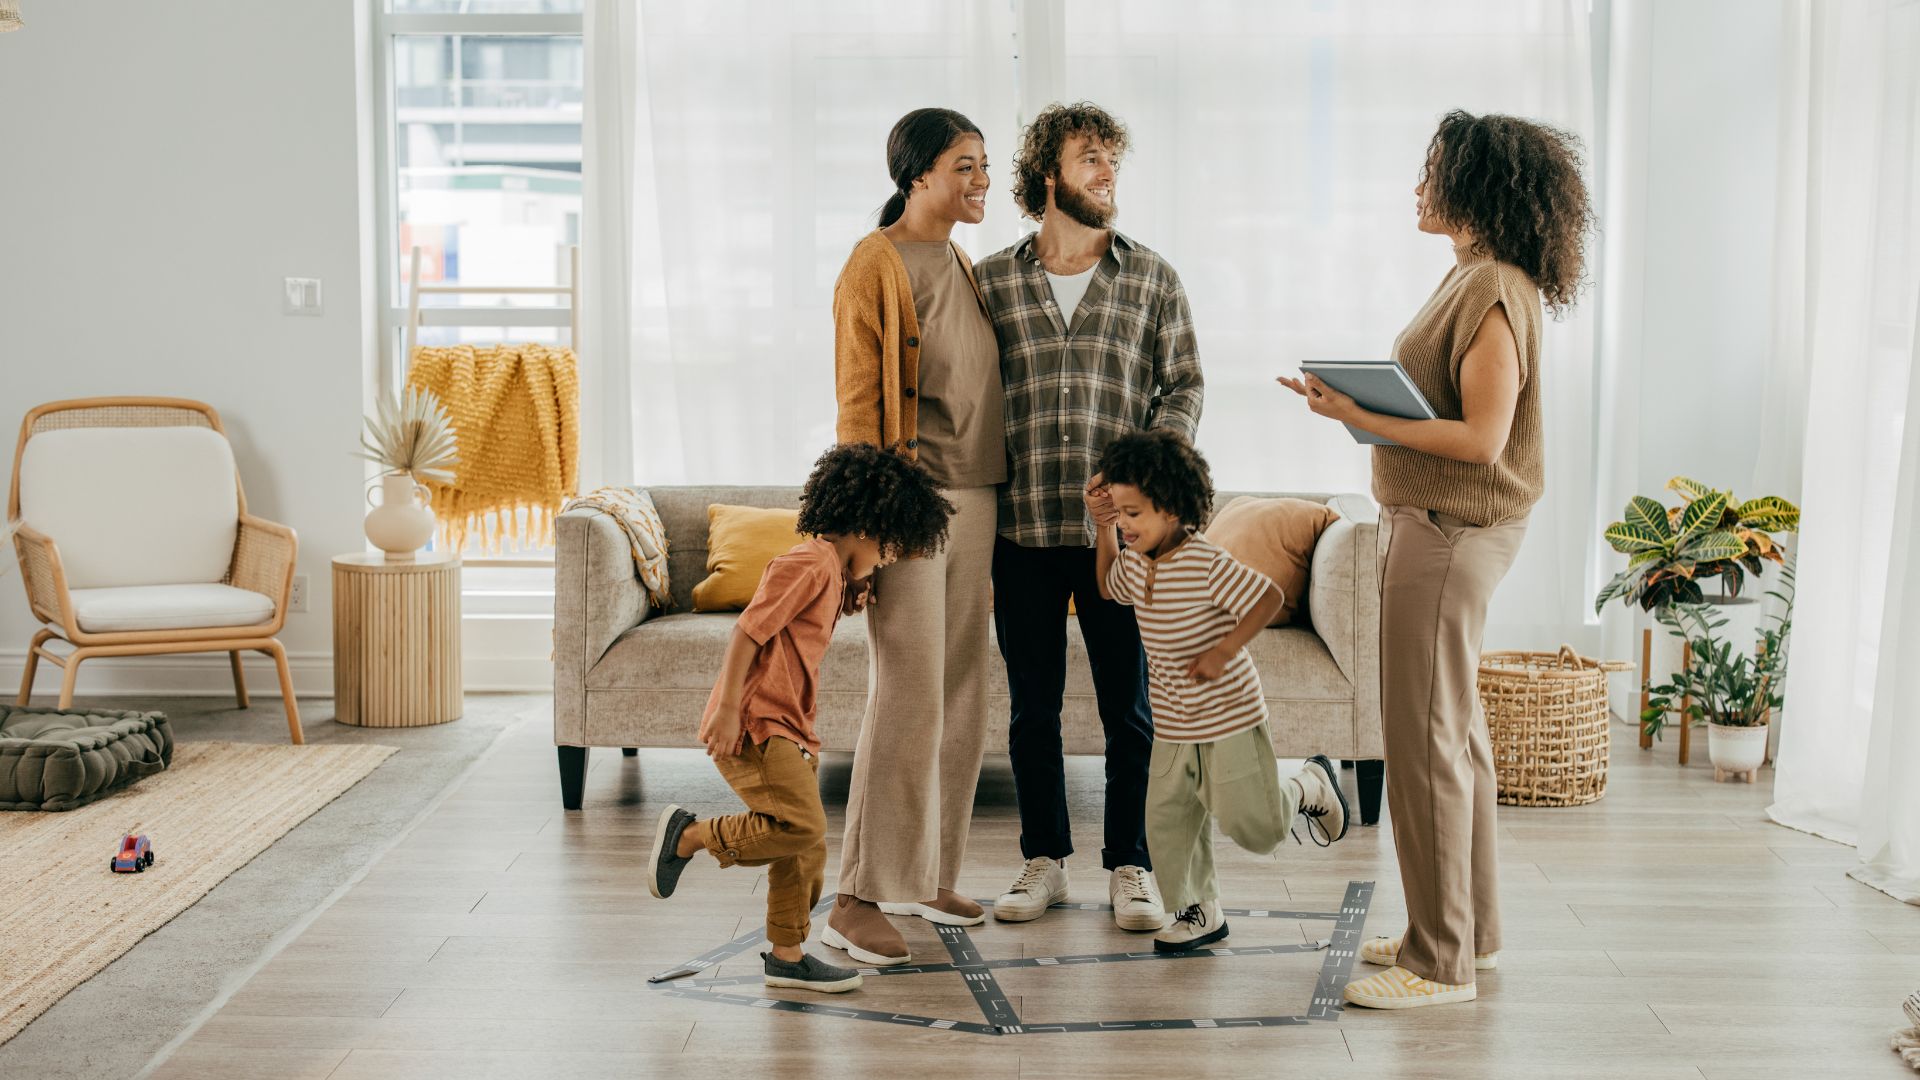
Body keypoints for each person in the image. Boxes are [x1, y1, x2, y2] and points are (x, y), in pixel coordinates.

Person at [1278, 109, 1593, 1009]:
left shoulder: (1492, 284)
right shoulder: (1479, 277)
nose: (1419, 188)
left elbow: (1483, 438)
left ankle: (1439, 958)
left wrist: (1357, 417)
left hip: (1449, 534)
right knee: (1453, 736)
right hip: (1442, 529)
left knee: (1421, 743)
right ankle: (1464, 933)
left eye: (1433, 173)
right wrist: (1360, 410)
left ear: (1475, 187)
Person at [973, 101, 1202, 933]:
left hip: (1124, 536)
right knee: (1032, 708)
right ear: (1049, 176)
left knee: (1127, 708)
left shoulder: (1152, 278)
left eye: (1113, 159)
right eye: (1091, 158)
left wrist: (1141, 475)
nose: (1108, 172)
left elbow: (1183, 387)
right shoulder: (991, 280)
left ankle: (1131, 864)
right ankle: (1045, 860)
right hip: (1023, 525)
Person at [645, 444, 955, 992]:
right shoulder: (808, 562)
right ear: (865, 523)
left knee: (804, 848)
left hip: (791, 726)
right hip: (758, 725)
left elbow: (801, 626)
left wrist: (849, 590)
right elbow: (748, 630)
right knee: (803, 827)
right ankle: (689, 837)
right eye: (886, 547)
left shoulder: (831, 571)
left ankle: (787, 958)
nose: (886, 560)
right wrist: (724, 708)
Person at [825, 107, 1005, 966]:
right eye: (963, 166)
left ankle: (927, 871)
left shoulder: (961, 261)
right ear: (918, 175)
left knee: (965, 692)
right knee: (908, 693)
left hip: (980, 495)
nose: (980, 182)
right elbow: (860, 409)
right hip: (914, 500)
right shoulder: (877, 264)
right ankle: (857, 894)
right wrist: (862, 534)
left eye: (984, 166)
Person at [1086, 430, 1350, 952]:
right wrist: (1104, 530)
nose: (1126, 525)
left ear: (1171, 508)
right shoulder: (1137, 561)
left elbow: (1268, 597)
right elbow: (1106, 585)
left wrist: (1223, 652)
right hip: (1175, 720)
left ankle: (1310, 786)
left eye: (1133, 514)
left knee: (1257, 827)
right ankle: (1200, 910)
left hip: (1229, 714)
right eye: (1120, 513)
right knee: (1166, 824)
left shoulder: (1206, 562)